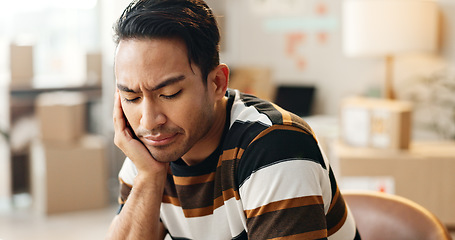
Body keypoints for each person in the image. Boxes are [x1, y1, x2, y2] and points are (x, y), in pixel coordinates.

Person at [107, 0, 360, 239]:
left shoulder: (276, 146)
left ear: (217, 83)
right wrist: (149, 176)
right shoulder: (151, 148)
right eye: (131, 97)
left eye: (169, 94)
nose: (149, 121)